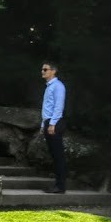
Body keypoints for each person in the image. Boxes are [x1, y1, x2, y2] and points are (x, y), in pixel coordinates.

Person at [40, 61, 67, 194]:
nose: (43, 72)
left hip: (54, 123)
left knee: (58, 155)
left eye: (45, 69)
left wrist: (52, 124)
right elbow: (47, 107)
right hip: (48, 122)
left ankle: (60, 186)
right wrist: (43, 124)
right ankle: (57, 185)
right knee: (54, 155)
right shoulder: (49, 86)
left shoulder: (58, 86)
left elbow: (58, 106)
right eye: (42, 70)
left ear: (53, 71)